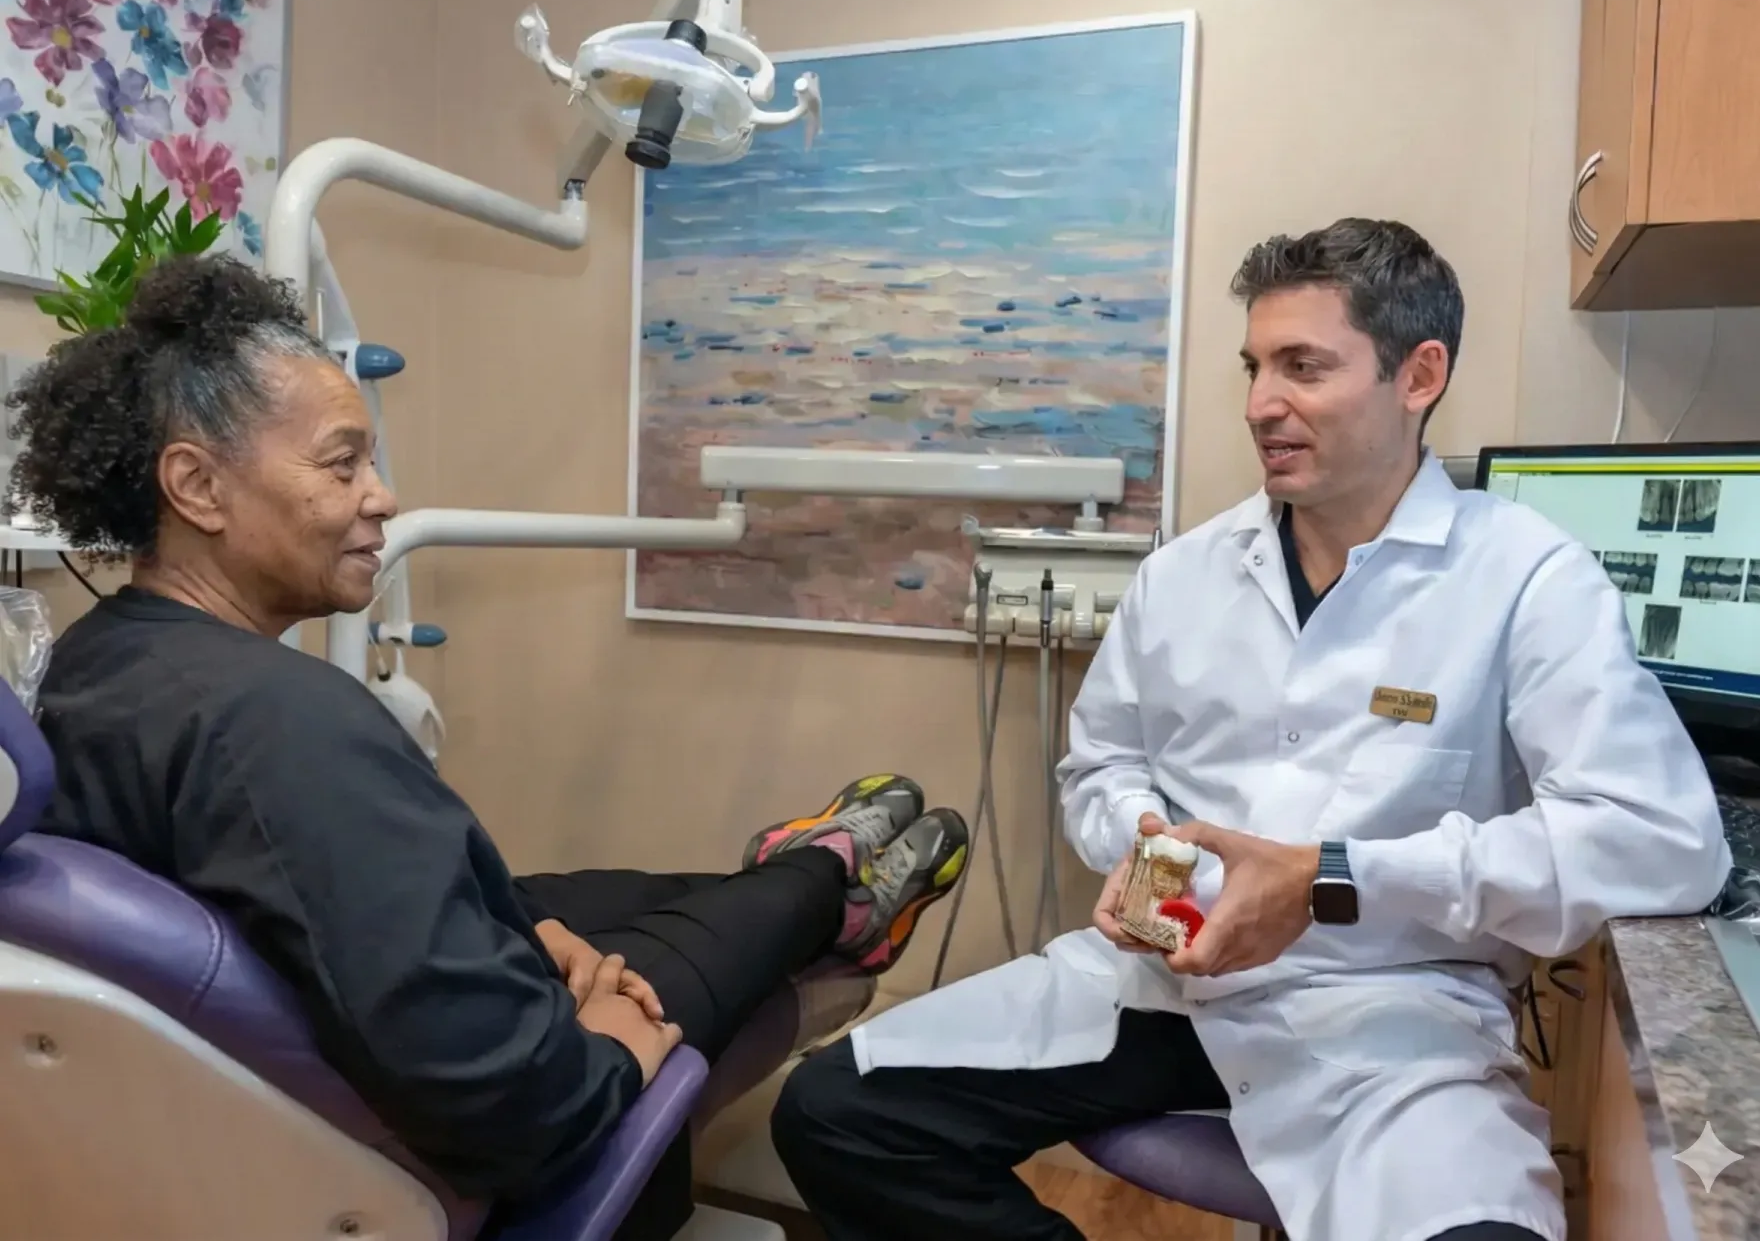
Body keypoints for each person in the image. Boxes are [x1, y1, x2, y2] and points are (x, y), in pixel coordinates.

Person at [770, 218, 1733, 1241]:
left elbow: (1660, 842)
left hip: (1388, 1010)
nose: (1259, 404)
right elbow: (1099, 764)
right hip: (1162, 982)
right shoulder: (1182, 576)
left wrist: (1335, 876)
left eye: (1302, 367)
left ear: (1417, 375)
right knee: (837, 1115)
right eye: (1254, 366)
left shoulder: (1525, 579)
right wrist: (1147, 842)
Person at [7, 254, 971, 1235]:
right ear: (198, 488)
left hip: (308, 1014)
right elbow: (521, 1108)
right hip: (479, 1112)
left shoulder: (97, 660)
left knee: (644, 898)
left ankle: (794, 870)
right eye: (343, 465)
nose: (380, 497)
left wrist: (518, 928)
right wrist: (616, 1038)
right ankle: (831, 883)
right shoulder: (278, 726)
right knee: (720, 940)